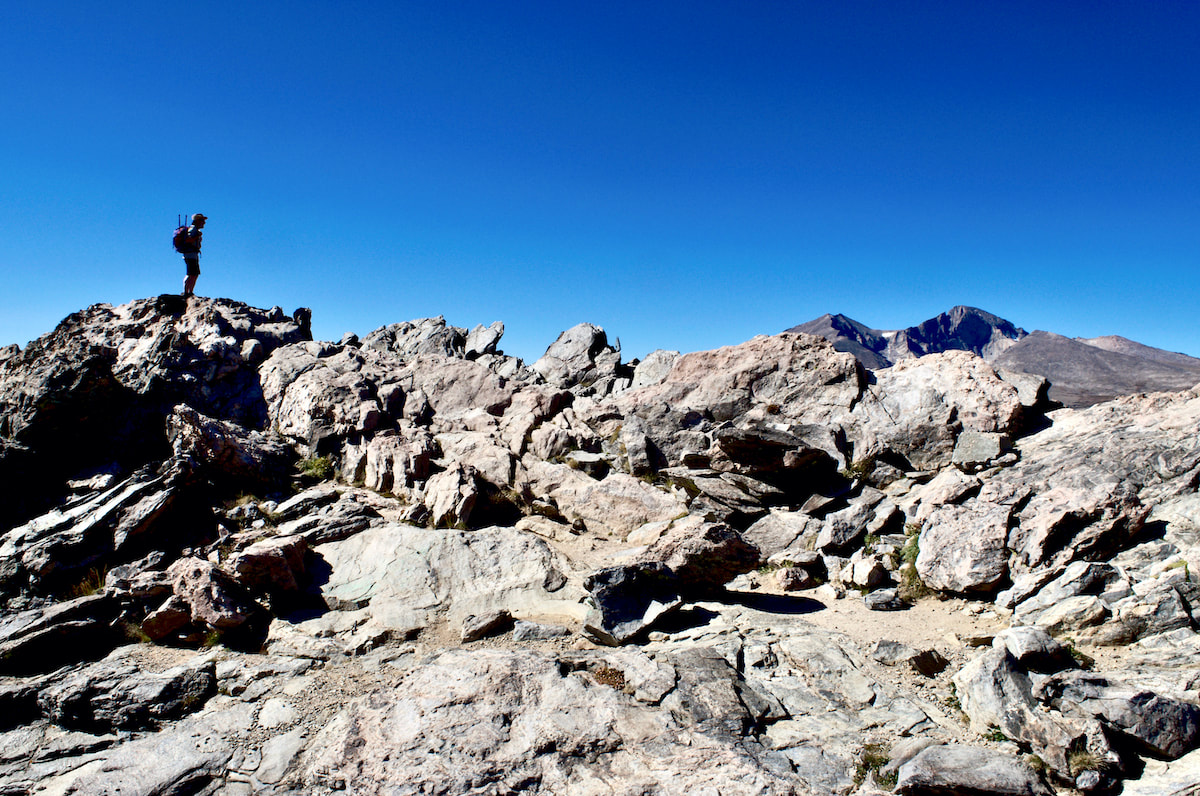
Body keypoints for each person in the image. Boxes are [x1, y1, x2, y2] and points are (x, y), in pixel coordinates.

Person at [179, 213, 207, 296]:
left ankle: (189, 292)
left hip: (191, 254)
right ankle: (187, 292)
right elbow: (188, 240)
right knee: (191, 273)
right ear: (198, 221)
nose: (204, 223)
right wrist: (197, 236)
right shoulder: (193, 229)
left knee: (194, 273)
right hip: (190, 254)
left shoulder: (195, 229)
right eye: (202, 220)